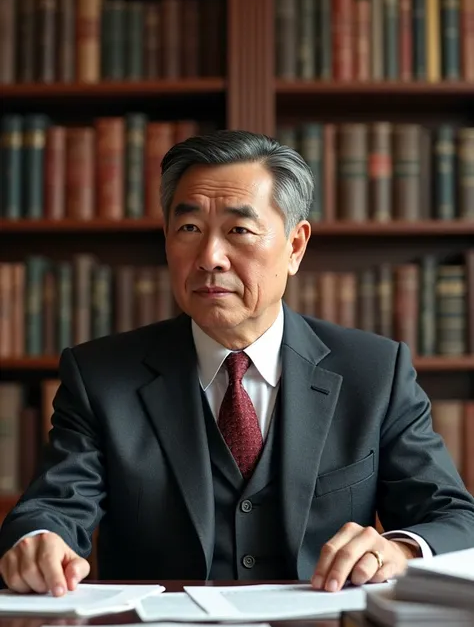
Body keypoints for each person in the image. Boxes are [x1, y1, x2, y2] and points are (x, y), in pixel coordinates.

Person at [1, 130, 473, 597]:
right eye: (189, 229)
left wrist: (402, 550)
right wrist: (39, 542)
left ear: (294, 246)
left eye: (239, 231)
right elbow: (54, 506)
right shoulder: (100, 376)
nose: (210, 258)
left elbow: (455, 519)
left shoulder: (374, 372)